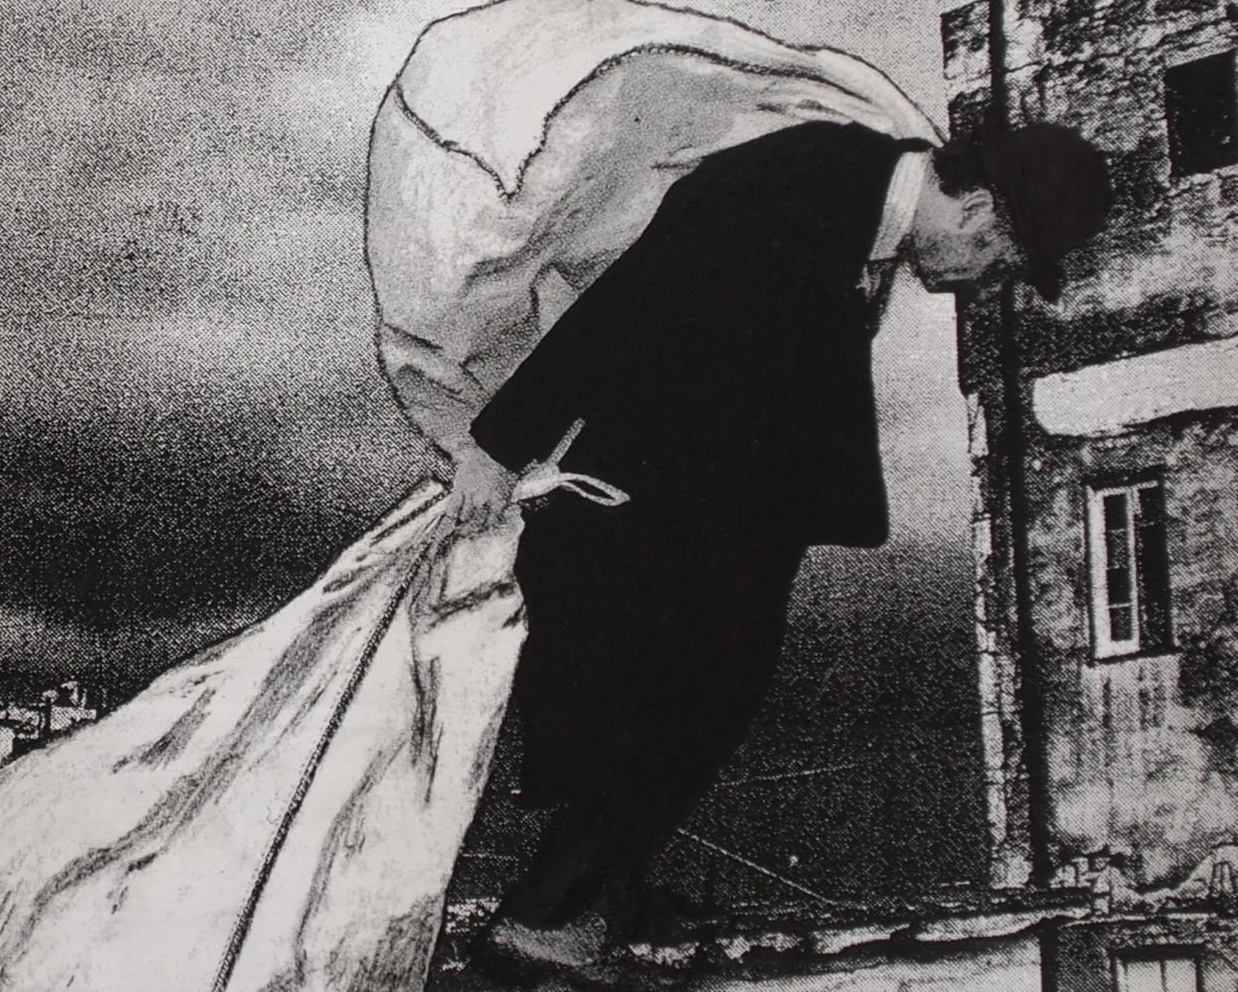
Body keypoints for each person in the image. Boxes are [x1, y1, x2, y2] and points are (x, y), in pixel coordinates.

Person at [462, 113, 1112, 976]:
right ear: (979, 210)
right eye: (999, 262)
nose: (981, 282)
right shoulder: (806, 180)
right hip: (658, 503)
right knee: (677, 698)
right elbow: (632, 302)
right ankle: (545, 919)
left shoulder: (862, 210)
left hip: (729, 513)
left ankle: (601, 894)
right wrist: (500, 443)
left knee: (708, 697)